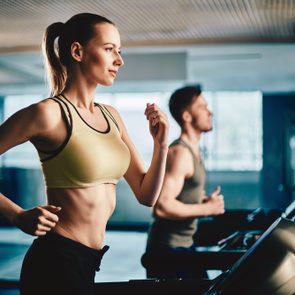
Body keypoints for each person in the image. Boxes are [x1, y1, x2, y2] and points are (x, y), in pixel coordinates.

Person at [0, 13, 169, 295]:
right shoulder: (48, 114)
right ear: (77, 51)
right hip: (54, 262)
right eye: (109, 49)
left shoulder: (111, 116)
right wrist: (17, 216)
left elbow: (146, 194)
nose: (119, 60)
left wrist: (161, 145)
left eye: (119, 51)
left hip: (89, 262)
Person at [142, 85, 225, 279]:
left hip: (184, 245)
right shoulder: (180, 153)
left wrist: (200, 202)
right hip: (168, 251)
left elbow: (178, 196)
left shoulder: (192, 151)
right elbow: (162, 207)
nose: (209, 112)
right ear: (187, 116)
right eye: (202, 107)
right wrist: (208, 209)